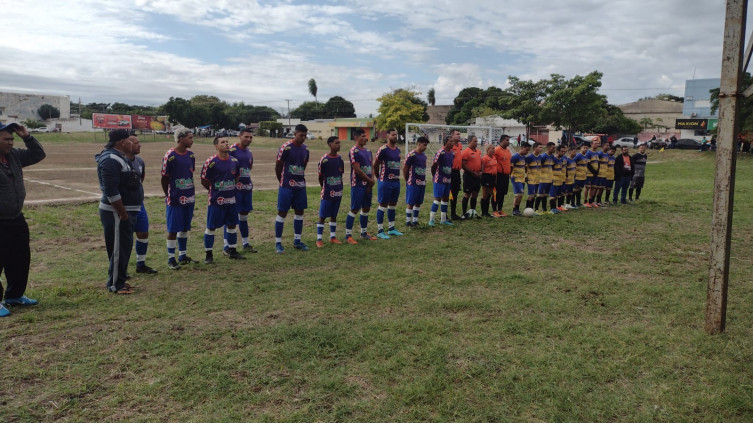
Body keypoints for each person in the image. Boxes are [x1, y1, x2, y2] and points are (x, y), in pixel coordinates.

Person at [0, 123, 45, 316]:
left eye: (12, 139)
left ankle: (15, 295)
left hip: (16, 217)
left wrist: (27, 137)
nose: (11, 142)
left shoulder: (14, 156)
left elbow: (38, 154)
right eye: (6, 139)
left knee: (20, 258)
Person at [97, 129, 143, 294]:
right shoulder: (110, 159)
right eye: (129, 140)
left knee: (124, 248)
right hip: (116, 212)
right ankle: (116, 284)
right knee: (118, 249)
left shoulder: (119, 157)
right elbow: (110, 189)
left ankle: (120, 279)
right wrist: (122, 212)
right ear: (122, 142)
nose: (132, 142)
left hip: (125, 210)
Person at [201, 136, 243, 264]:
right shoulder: (211, 162)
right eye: (222, 142)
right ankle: (209, 254)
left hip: (231, 199)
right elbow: (204, 180)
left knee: (232, 225)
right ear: (216, 146)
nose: (226, 144)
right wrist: (215, 190)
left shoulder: (235, 161)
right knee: (211, 227)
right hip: (216, 200)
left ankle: (232, 250)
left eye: (227, 142)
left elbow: (236, 177)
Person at [161, 129, 196, 269]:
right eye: (190, 138)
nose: (192, 140)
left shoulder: (191, 155)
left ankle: (182, 255)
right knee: (173, 229)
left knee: (185, 227)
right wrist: (168, 194)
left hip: (189, 197)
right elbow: (164, 178)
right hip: (175, 198)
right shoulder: (170, 155)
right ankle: (171, 259)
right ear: (181, 139)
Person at [274, 124, 310, 253]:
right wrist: (283, 182)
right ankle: (278, 243)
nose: (303, 138)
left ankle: (297, 241)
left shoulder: (306, 150)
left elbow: (303, 166)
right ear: (295, 134)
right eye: (301, 135)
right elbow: (278, 166)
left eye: (305, 135)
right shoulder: (286, 147)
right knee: (282, 212)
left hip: (300, 186)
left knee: (299, 212)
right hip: (286, 186)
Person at [127, 133, 157, 274]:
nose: (139, 145)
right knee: (125, 238)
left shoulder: (140, 161)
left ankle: (141, 264)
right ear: (126, 144)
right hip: (125, 206)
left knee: (143, 233)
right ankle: (122, 269)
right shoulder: (120, 161)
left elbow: (141, 179)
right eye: (136, 142)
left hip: (139, 205)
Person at [225, 127, 257, 254]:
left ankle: (245, 243)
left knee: (244, 217)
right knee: (231, 218)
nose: (249, 139)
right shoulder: (232, 150)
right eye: (246, 137)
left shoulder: (249, 152)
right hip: (234, 190)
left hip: (246, 189)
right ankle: (227, 246)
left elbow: (249, 168)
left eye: (251, 137)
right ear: (239, 136)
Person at [346, 128, 378, 244]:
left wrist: (371, 180)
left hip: (368, 184)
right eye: (363, 136)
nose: (366, 138)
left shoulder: (368, 151)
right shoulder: (354, 151)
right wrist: (370, 180)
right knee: (354, 209)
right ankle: (348, 235)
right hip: (358, 184)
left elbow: (371, 167)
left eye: (366, 136)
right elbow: (357, 170)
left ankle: (364, 233)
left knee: (366, 208)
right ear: (356, 138)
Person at [373, 129, 403, 239]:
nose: (395, 136)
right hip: (385, 182)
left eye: (396, 134)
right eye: (393, 135)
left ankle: (391, 228)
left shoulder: (398, 150)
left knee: (393, 205)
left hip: (396, 182)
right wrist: (378, 177)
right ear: (387, 136)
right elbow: (375, 164)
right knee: (383, 205)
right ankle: (380, 230)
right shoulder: (383, 149)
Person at [316, 136, 344, 247]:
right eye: (336, 143)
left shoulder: (340, 159)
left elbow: (340, 174)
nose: (339, 145)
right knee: (322, 215)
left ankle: (333, 237)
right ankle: (319, 239)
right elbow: (320, 177)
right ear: (330, 144)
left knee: (334, 214)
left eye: (339, 143)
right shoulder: (324, 160)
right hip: (327, 192)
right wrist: (324, 187)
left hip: (338, 191)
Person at [429, 135, 455, 226]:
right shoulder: (440, 152)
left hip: (447, 180)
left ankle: (443, 220)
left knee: (445, 200)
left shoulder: (452, 153)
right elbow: (434, 166)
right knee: (437, 199)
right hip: (439, 180)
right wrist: (434, 176)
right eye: (451, 141)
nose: (453, 143)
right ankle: (431, 220)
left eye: (453, 141)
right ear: (446, 142)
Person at [403, 136, 429, 227]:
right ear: (419, 144)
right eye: (424, 145)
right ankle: (408, 221)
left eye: (426, 145)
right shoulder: (412, 155)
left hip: (421, 182)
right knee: (411, 202)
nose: (425, 147)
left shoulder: (424, 156)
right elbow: (405, 168)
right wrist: (407, 179)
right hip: (413, 182)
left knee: (418, 202)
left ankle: (415, 221)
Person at [460, 135, 482, 219]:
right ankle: (464, 213)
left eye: (477, 141)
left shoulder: (478, 151)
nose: (476, 143)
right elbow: (463, 164)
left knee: (475, 194)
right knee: (467, 194)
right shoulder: (466, 151)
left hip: (477, 176)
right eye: (475, 141)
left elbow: (480, 162)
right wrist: (472, 172)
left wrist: (480, 172)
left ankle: (473, 212)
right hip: (469, 175)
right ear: (470, 142)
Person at [493, 134, 512, 216]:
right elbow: (493, 161)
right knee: (497, 192)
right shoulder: (497, 150)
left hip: (506, 175)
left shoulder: (508, 151)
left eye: (508, 140)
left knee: (502, 193)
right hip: (498, 174)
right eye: (507, 140)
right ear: (502, 140)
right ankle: (494, 210)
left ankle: (500, 209)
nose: (508, 142)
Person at [509, 142, 529, 216]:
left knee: (521, 194)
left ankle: (517, 209)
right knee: (518, 194)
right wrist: (510, 175)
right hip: (516, 178)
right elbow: (510, 167)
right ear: (522, 148)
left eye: (528, 150)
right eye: (526, 150)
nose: (527, 152)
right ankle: (514, 210)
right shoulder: (515, 156)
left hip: (522, 178)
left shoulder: (523, 157)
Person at [537, 142, 555, 214]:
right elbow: (538, 166)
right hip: (542, 179)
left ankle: (544, 210)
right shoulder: (543, 156)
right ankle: (536, 209)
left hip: (549, 178)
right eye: (552, 148)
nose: (554, 149)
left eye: (554, 148)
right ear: (548, 148)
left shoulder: (552, 156)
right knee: (540, 194)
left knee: (546, 195)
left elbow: (552, 166)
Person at [449, 129, 463, 220]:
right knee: (448, 193)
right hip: (450, 172)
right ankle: (444, 214)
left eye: (459, 134)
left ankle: (453, 214)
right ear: (452, 136)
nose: (459, 135)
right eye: (457, 134)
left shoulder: (460, 145)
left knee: (456, 193)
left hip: (457, 172)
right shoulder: (450, 146)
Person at [480, 145, 497, 217]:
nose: (494, 150)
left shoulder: (494, 158)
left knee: (490, 194)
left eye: (494, 149)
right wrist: (482, 179)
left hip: (493, 177)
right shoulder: (485, 158)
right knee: (485, 195)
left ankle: (486, 212)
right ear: (488, 150)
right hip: (486, 176)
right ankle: (483, 212)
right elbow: (482, 170)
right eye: (492, 148)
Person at [524, 143, 542, 214]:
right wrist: (526, 175)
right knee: (531, 195)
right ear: (535, 148)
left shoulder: (540, 157)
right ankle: (527, 210)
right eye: (539, 147)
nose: (541, 149)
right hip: (531, 179)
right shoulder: (530, 157)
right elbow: (525, 167)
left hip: (537, 179)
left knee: (534, 195)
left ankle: (531, 211)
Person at [548, 145, 566, 214]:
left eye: (564, 151)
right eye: (562, 151)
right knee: (552, 195)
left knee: (557, 195)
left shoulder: (561, 159)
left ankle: (555, 208)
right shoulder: (554, 159)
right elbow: (550, 169)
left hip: (559, 180)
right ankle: (552, 209)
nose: (563, 153)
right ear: (557, 151)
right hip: (553, 180)